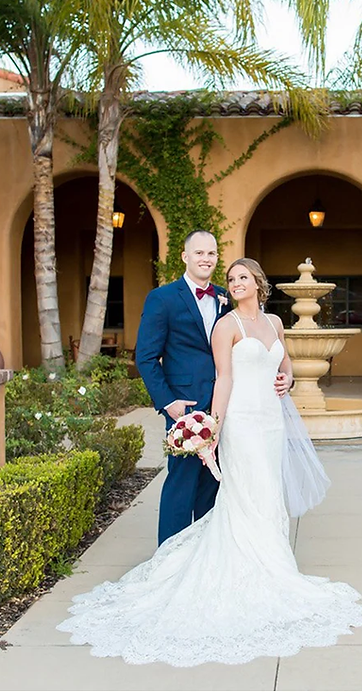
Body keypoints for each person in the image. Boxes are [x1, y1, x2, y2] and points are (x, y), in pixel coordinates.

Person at [58, 258, 362, 666]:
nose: (236, 283)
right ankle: (252, 569)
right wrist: (214, 427)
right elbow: (224, 379)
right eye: (231, 279)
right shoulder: (227, 326)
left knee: (267, 490)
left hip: (271, 422)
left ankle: (275, 564)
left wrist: (287, 379)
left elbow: (284, 362)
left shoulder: (274, 323)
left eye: (243, 277)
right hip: (242, 421)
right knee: (245, 491)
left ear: (258, 282)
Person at [134, 230, 233, 545]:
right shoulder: (162, 298)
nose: (206, 259)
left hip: (223, 405)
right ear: (185, 257)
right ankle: (170, 560)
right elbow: (146, 357)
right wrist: (169, 403)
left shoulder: (226, 298)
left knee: (214, 484)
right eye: (200, 253)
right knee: (181, 483)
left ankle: (204, 557)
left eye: (212, 254)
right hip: (185, 408)